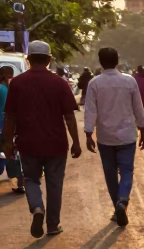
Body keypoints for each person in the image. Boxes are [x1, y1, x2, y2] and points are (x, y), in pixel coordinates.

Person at [0, 40, 83, 238]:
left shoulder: (17, 83)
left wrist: (8, 142)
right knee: (55, 184)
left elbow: (10, 116)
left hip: (28, 142)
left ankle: (37, 208)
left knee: (31, 179)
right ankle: (53, 224)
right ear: (49, 59)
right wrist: (76, 142)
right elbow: (69, 117)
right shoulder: (60, 83)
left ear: (28, 60)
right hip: (56, 143)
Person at [85, 48, 144, 227]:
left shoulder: (94, 83)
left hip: (105, 137)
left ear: (100, 62)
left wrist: (88, 133)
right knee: (127, 171)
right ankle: (122, 201)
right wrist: (143, 129)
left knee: (110, 173)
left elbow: (90, 110)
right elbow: (138, 107)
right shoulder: (129, 81)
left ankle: (117, 207)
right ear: (117, 60)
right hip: (127, 135)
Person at [0, 64, 23, 193]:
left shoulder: (1, 89)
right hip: (13, 125)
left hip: (2, 125)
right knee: (13, 154)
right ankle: (20, 184)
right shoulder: (13, 89)